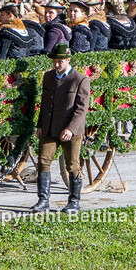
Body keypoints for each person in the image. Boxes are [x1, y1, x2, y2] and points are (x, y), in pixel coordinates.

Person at [32, 44, 90, 214]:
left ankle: (74, 201)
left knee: (72, 165)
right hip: (49, 128)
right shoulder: (49, 77)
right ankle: (43, 201)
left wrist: (71, 129)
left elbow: (81, 109)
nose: (57, 64)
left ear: (68, 60)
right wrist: (40, 125)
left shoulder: (80, 80)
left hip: (70, 131)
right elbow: (44, 104)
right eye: (55, 61)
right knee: (43, 161)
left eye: (60, 61)